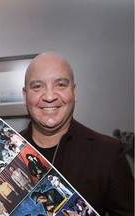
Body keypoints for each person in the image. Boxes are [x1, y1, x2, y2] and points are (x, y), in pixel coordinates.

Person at [20, 52, 134, 215]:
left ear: (74, 92)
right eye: (37, 86)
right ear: (25, 96)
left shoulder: (108, 153)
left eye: (60, 85)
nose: (50, 96)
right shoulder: (10, 148)